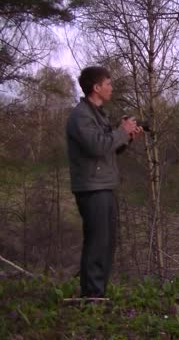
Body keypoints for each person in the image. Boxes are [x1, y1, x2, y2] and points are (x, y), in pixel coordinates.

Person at [66, 66, 143, 298]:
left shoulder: (99, 115)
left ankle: (98, 294)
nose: (111, 88)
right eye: (108, 84)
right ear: (96, 88)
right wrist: (120, 132)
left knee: (107, 242)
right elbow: (97, 146)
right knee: (97, 242)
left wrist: (126, 137)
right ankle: (92, 296)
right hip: (91, 188)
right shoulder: (80, 116)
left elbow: (108, 149)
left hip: (104, 185)